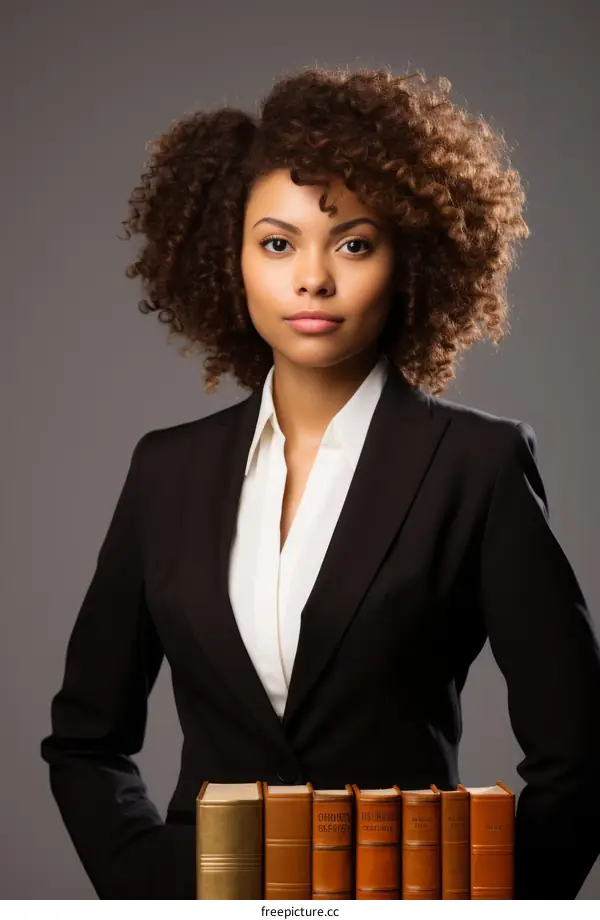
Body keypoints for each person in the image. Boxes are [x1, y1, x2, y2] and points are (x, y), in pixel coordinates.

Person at [40, 65, 600, 900]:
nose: (312, 278)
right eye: (277, 243)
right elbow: (86, 741)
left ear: (407, 259)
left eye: (353, 243)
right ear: (226, 261)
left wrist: (494, 912)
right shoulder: (165, 470)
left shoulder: (476, 466)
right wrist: (155, 889)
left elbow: (583, 756)